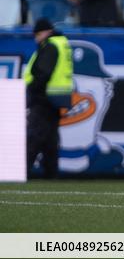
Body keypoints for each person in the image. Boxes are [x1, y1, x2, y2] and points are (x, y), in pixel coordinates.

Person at [23, 18, 73, 178]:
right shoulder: (61, 43)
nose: (36, 38)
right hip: (57, 97)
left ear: (46, 32)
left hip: (44, 96)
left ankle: (22, 171)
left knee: (34, 135)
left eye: (37, 34)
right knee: (49, 139)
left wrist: (32, 89)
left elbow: (43, 73)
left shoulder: (50, 46)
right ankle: (51, 173)